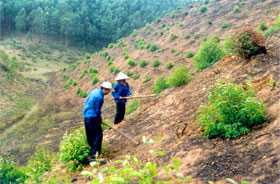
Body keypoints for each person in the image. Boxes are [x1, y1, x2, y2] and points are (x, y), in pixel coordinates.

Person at [83, 81, 112, 162]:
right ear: (105, 90)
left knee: (90, 137)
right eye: (109, 91)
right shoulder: (100, 98)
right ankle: (94, 158)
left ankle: (92, 154)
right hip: (93, 118)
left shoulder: (94, 91)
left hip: (86, 117)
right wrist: (100, 119)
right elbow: (97, 111)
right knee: (98, 137)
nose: (108, 92)